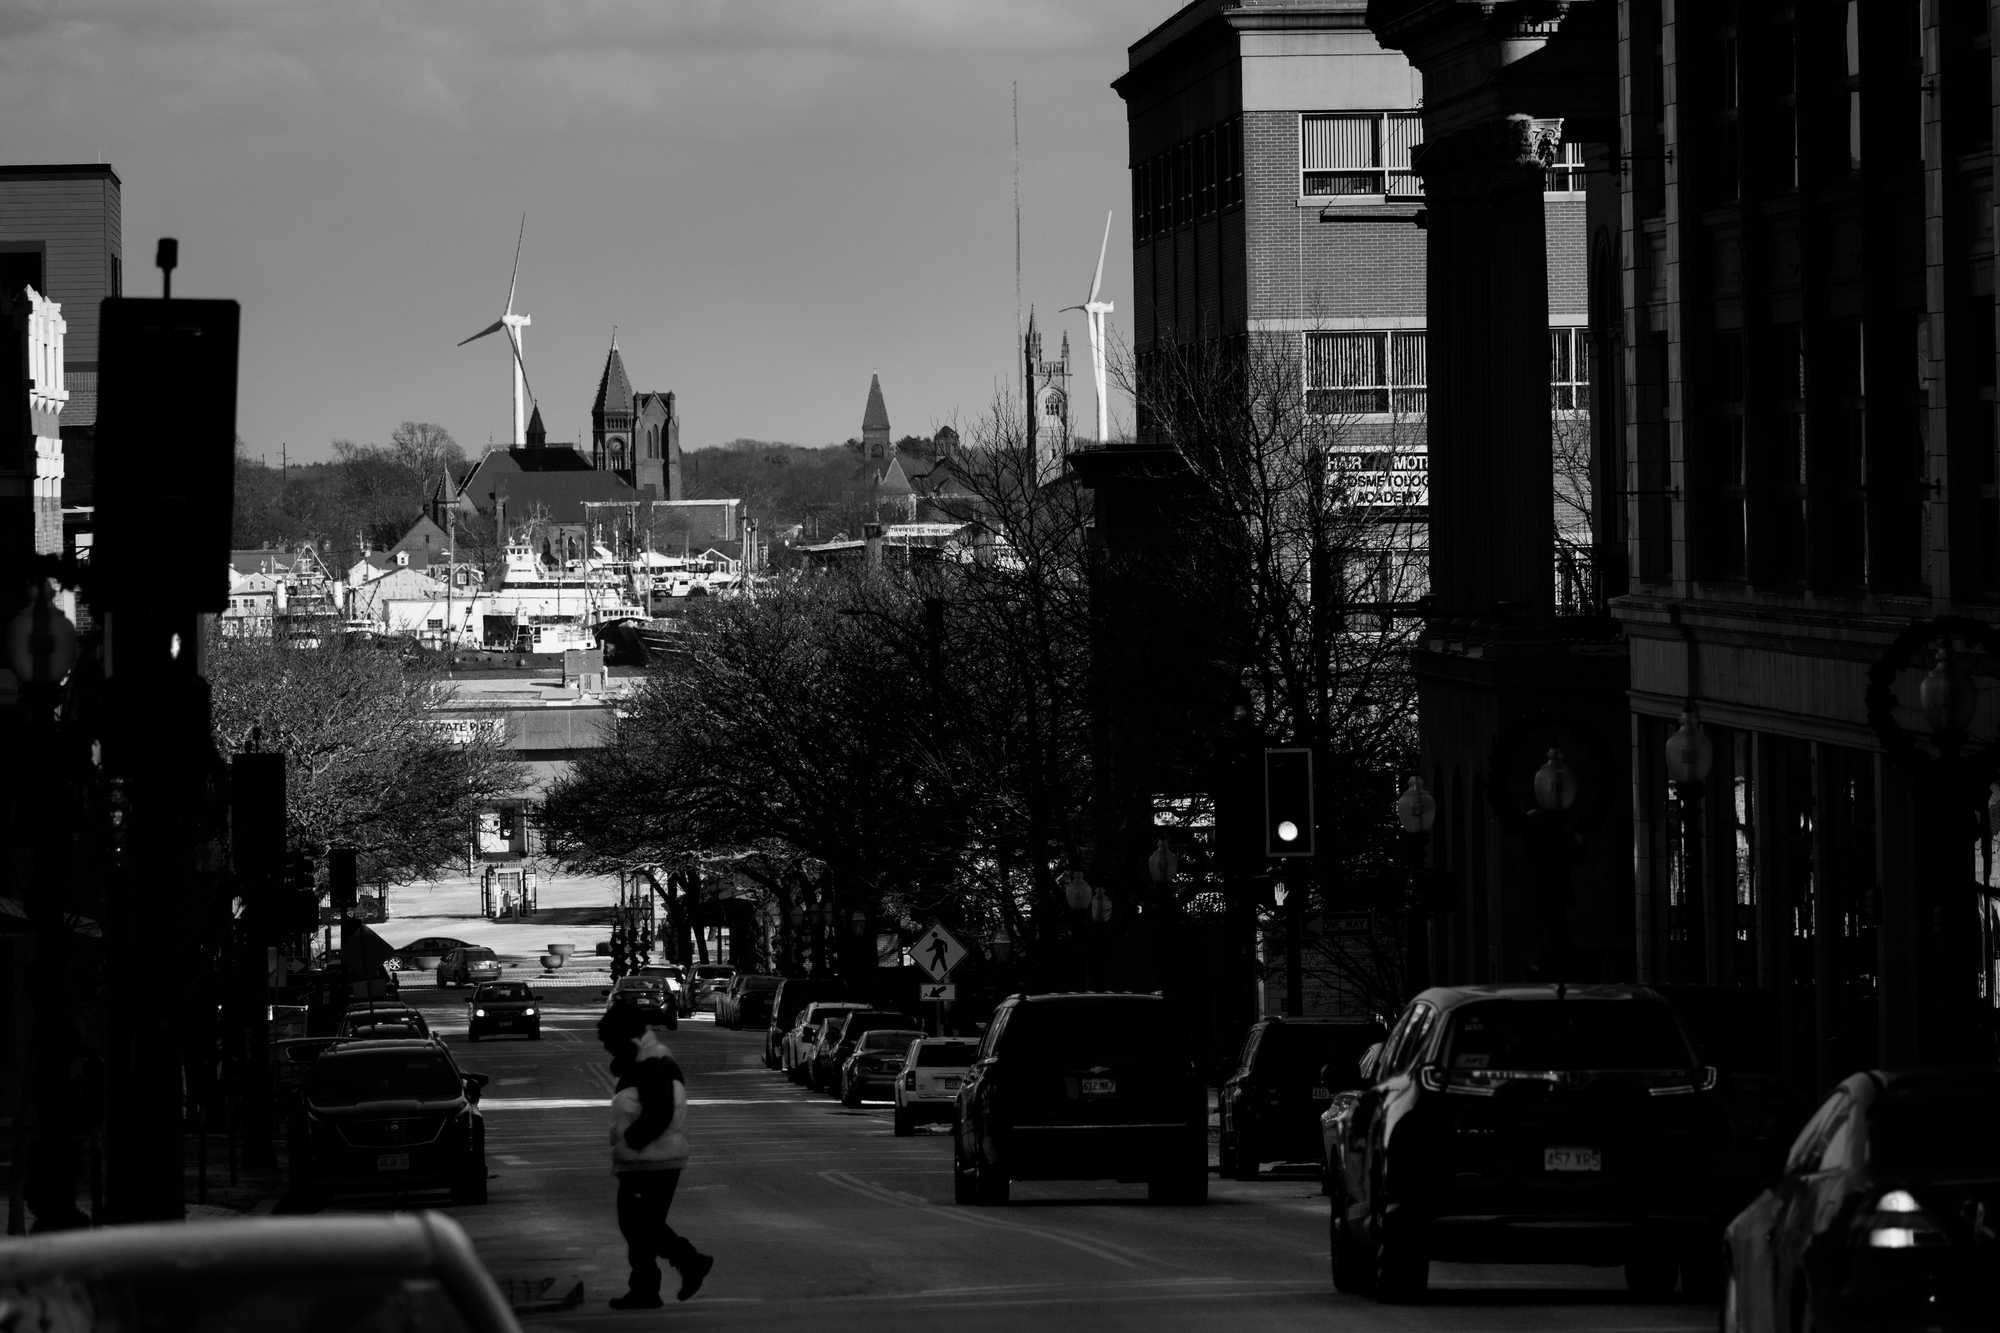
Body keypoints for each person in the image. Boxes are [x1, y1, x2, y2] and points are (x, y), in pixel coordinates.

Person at [597, 1006, 714, 1310]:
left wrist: (632, 1141)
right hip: (648, 1159)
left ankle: (687, 1263)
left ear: (627, 1038)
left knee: (641, 1225)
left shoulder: (654, 1066)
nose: (608, 1049)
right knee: (639, 1224)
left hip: (652, 1161)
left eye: (610, 1043)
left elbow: (660, 1112)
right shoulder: (645, 1062)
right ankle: (648, 1286)